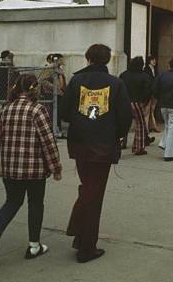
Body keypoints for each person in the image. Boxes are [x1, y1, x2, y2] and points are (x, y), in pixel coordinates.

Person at [0, 74, 62, 264]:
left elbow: (1, 137)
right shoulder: (37, 110)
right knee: (35, 203)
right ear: (35, 89)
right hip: (34, 169)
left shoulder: (6, 109)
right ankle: (34, 245)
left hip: (10, 168)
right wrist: (56, 167)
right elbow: (48, 142)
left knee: (12, 202)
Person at [61, 44, 132, 263]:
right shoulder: (115, 83)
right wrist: (117, 134)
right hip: (103, 144)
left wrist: (82, 123)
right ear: (107, 60)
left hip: (80, 144)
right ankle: (86, 247)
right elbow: (125, 116)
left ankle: (80, 237)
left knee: (88, 188)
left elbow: (64, 113)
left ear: (88, 58)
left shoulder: (75, 81)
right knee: (94, 194)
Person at [119, 56, 153, 155]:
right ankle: (139, 147)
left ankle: (121, 143)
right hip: (137, 102)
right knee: (140, 125)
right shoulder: (145, 76)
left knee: (123, 123)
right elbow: (147, 91)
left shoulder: (124, 75)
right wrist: (145, 102)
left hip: (124, 101)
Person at [143, 55, 160, 133]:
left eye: (155, 60)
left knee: (152, 110)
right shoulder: (146, 70)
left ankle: (151, 126)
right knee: (148, 110)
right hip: (149, 92)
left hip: (154, 92)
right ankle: (150, 127)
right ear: (149, 61)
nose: (154, 61)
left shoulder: (155, 70)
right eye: (153, 60)